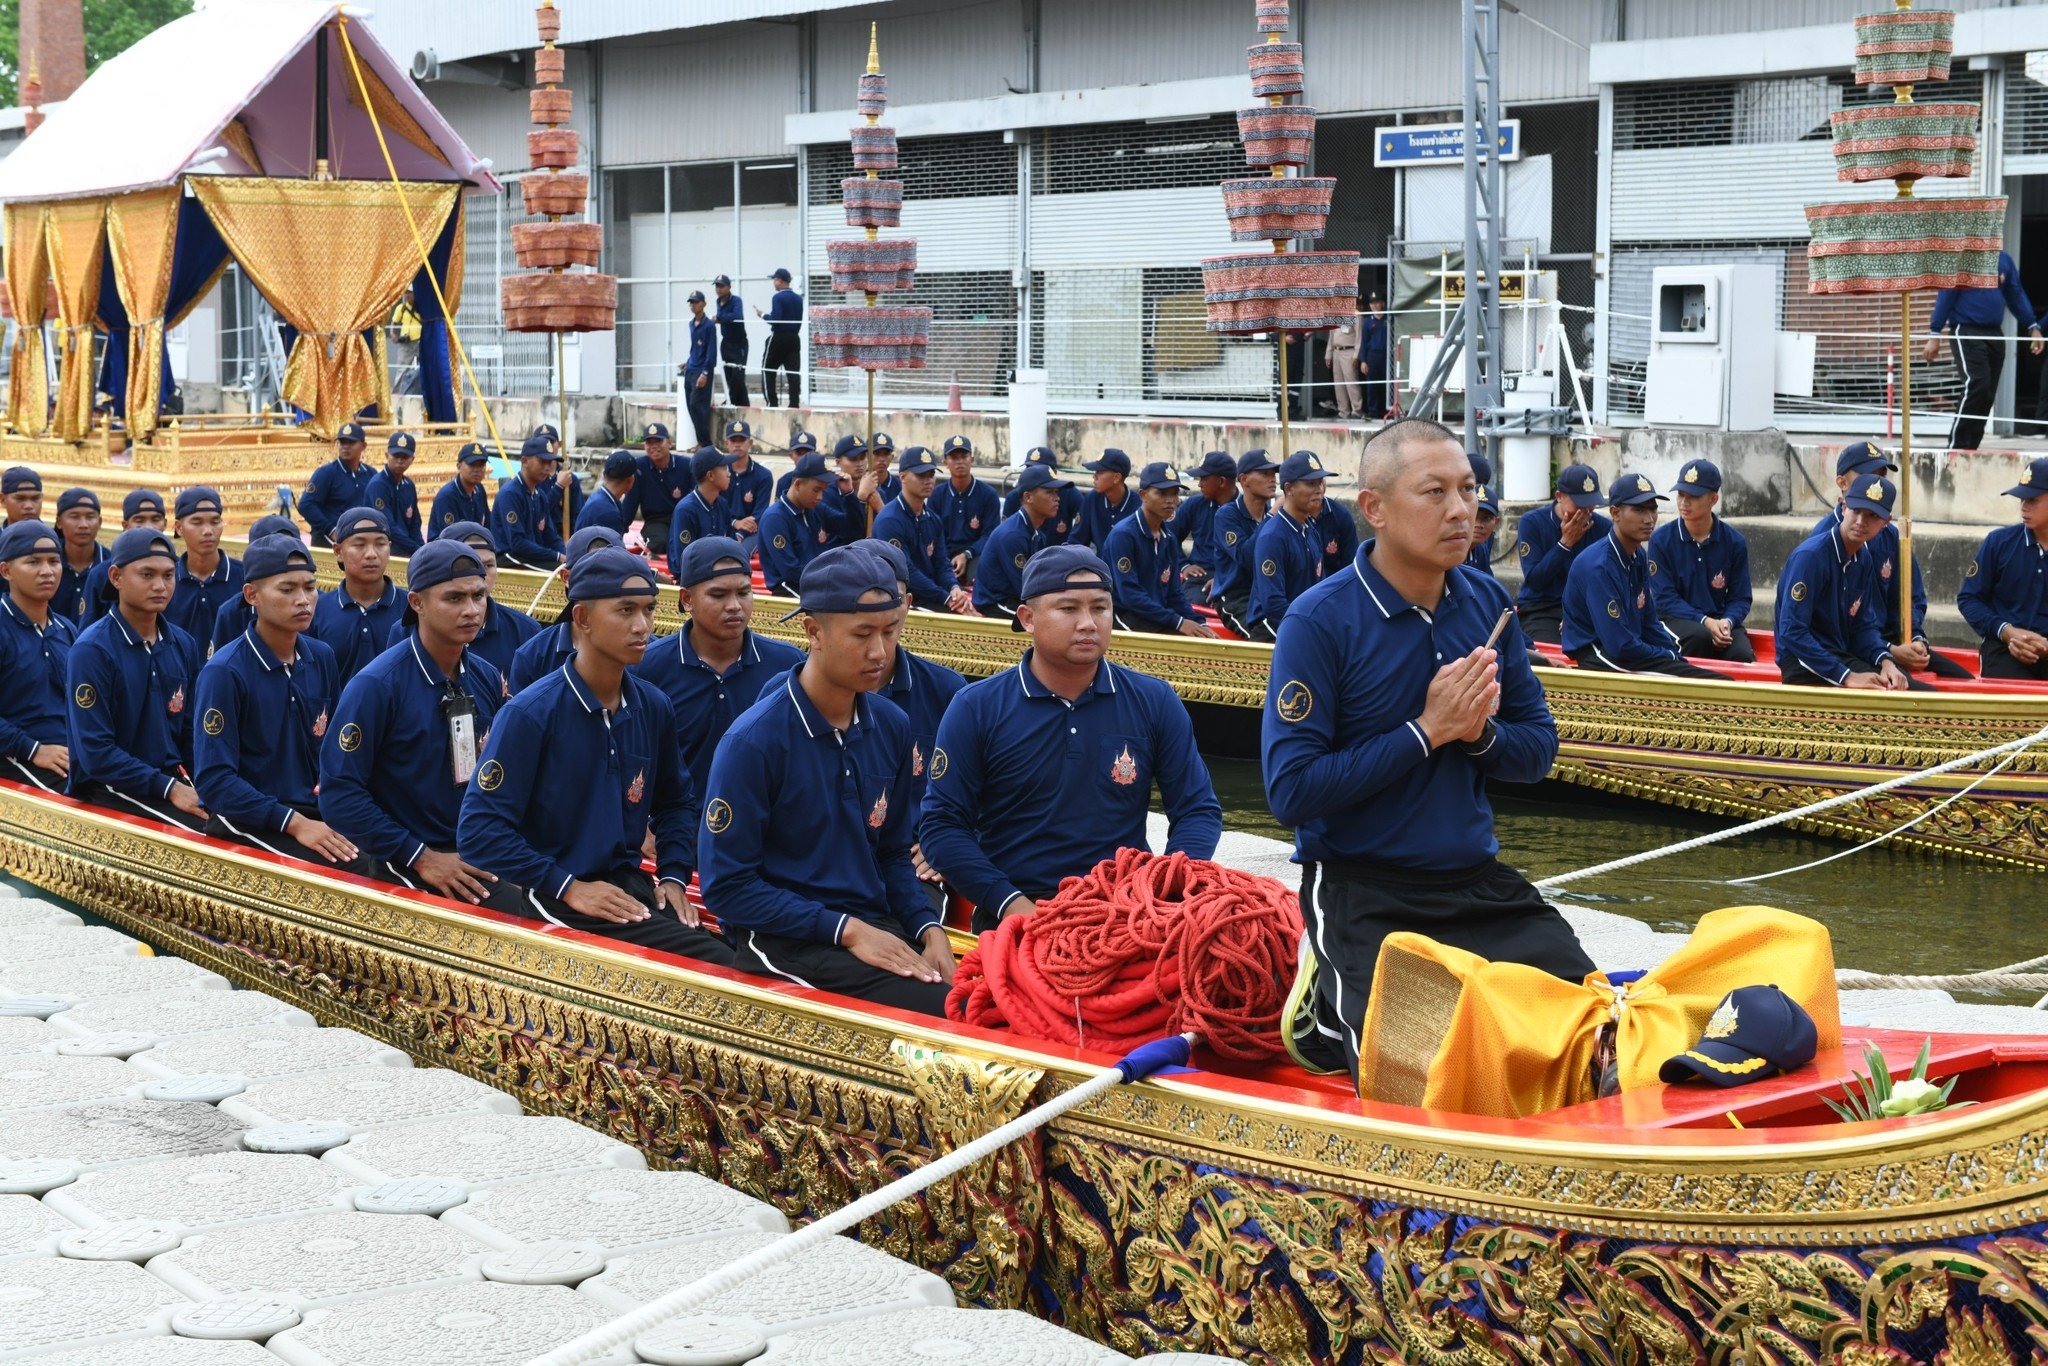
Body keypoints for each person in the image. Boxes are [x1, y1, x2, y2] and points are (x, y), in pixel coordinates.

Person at [1264, 417, 1594, 1079]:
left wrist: (1478, 734)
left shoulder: (1483, 602)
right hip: (1365, 889)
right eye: (1434, 492)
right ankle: (1326, 1008)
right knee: (1418, 1077)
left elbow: (1537, 751)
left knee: (1594, 1035)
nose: (1461, 511)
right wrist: (1425, 732)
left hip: (1475, 882)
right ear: (1375, 509)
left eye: (1468, 490)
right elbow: (1290, 792)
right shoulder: (1319, 621)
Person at [698, 546, 952, 1013]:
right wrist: (846, 930)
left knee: (986, 989)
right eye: (862, 635)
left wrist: (927, 929)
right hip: (785, 942)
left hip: (872, 924)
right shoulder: (753, 742)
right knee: (950, 1011)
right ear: (813, 631)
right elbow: (728, 888)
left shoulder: (891, 724)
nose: (880, 652)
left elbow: (893, 852)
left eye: (890, 632)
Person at [922, 545, 1223, 933]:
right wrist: (1014, 907)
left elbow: (1197, 808)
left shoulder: (1154, 700)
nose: (1088, 623)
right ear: (1027, 619)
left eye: (1100, 608)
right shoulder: (976, 707)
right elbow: (942, 826)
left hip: (1126, 913)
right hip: (1015, 914)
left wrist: (1167, 887)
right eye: (1068, 609)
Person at [459, 548, 734, 963]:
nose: (643, 626)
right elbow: (479, 833)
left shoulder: (652, 705)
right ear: (583, 619)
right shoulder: (531, 714)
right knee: (717, 966)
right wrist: (568, 886)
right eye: (625, 610)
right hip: (556, 898)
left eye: (648, 609)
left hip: (627, 883)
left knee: (724, 948)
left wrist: (674, 875)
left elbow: (676, 801)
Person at [320, 538, 506, 901]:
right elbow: (339, 795)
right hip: (404, 862)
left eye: (478, 596)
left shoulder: (483, 676)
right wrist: (419, 856)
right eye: (453, 598)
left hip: (475, 849)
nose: (471, 610)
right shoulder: (377, 686)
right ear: (417, 602)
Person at [192, 535, 359, 866]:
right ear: (252, 595)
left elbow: (335, 749)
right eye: (287, 590)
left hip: (311, 809)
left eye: (310, 587)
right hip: (246, 818)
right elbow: (215, 783)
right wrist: (294, 823)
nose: (304, 600)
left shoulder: (320, 656)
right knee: (357, 868)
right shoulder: (225, 671)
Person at [634, 535, 806, 801]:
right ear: (687, 599)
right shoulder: (647, 668)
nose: (735, 606)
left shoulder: (786, 666)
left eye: (744, 592)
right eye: (718, 594)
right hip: (675, 831)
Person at [65, 527, 208, 829]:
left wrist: (206, 784)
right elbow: (96, 755)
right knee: (205, 832)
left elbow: (189, 732)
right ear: (116, 577)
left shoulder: (182, 643)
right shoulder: (92, 650)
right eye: (147, 575)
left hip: (166, 780)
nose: (160, 586)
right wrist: (169, 789)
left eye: (168, 576)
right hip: (109, 787)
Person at [1812, 442, 1969, 680]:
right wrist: (1888, 652)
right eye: (1868, 477)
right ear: (1842, 483)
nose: (1876, 485)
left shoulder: (1889, 535)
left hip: (1892, 642)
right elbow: (1834, 624)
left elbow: (1910, 597)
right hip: (1851, 648)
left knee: (1962, 678)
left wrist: (1915, 638)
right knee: (1922, 694)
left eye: (1882, 477)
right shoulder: (1822, 542)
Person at [1561, 475, 1721, 679]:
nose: (1649, 519)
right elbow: (1619, 646)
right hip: (1600, 656)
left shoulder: (1638, 555)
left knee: (1706, 674)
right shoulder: (1598, 566)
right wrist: (1666, 655)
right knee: (1711, 683)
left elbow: (1649, 622)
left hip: (1629, 651)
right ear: (1615, 513)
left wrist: (1674, 655)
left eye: (1652, 509)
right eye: (1639, 510)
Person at [1775, 474, 1927, 691]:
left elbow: (1862, 626)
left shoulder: (1862, 558)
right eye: (1856, 511)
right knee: (1902, 695)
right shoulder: (1811, 557)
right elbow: (1792, 632)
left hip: (1839, 655)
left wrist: (1885, 661)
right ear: (1844, 507)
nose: (1860, 522)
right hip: (1803, 662)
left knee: (1903, 683)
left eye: (1872, 516)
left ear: (1885, 522)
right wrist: (1847, 676)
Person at [1924, 249, 2041, 452]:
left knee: (1987, 393)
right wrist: (1935, 332)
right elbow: (1947, 294)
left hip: (1994, 332)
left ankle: (1971, 448)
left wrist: (2032, 326)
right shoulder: (1961, 257)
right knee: (1977, 382)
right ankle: (1956, 446)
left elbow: (2015, 293)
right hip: (1966, 328)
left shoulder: (2003, 259)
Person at [1648, 459, 1754, 663]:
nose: (1683, 502)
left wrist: (1727, 622)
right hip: (1675, 620)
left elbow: (1741, 597)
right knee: (1699, 639)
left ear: (1713, 499)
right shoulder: (1661, 540)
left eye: (1693, 496)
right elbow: (1664, 599)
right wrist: (1704, 621)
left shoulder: (1734, 542)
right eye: (1681, 494)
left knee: (1741, 655)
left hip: (1719, 619)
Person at [0, 521, 76, 792]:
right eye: (33, 562)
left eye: (54, 561)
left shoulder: (66, 629)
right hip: (15, 755)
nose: (47, 571)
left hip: (69, 753)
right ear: (6, 570)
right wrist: (33, 750)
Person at [503, 524, 623, 692]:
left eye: (615, 573)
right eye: (591, 572)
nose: (604, 584)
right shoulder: (533, 656)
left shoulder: (645, 653)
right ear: (566, 577)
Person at [1102, 462, 1215, 638]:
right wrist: (1179, 622)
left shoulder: (1168, 539)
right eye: (1162, 494)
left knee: (1205, 640)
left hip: (1157, 616)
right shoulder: (1123, 535)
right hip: (1123, 617)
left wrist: (1199, 622)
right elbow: (1130, 596)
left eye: (1175, 494)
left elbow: (1174, 594)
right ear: (1143, 495)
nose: (1170, 500)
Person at [1959, 455, 2048, 679]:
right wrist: (2006, 631)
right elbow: (1969, 599)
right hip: (2004, 649)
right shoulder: (1998, 543)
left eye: (2033, 500)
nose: (2024, 507)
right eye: (2022, 500)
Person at [438, 521, 552, 681]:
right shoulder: (413, 630)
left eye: (489, 565)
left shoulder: (525, 631)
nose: (482, 574)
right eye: (473, 564)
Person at [1514, 462, 1612, 645]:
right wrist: (1565, 543)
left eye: (1591, 504)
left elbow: (1604, 580)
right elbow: (1535, 580)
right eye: (1580, 504)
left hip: (1586, 608)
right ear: (1559, 496)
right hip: (1543, 607)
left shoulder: (1603, 527)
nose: (1586, 511)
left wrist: (1579, 612)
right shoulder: (1532, 522)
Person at [872, 446, 976, 614]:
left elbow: (942, 563)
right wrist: (946, 598)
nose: (928, 481)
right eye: (921, 476)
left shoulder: (932, 519)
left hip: (931, 594)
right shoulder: (890, 520)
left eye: (931, 475)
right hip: (899, 598)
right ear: (903, 477)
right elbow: (906, 572)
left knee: (971, 606)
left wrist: (954, 587)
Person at [309, 507, 402, 683]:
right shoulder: (317, 610)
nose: (371, 554)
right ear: (338, 552)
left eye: (380, 544)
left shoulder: (412, 609)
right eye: (359, 545)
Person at [1247, 450, 1333, 641]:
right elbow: (1274, 605)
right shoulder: (1273, 536)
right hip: (1273, 628)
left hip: (1304, 622)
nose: (1319, 489)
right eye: (1310, 484)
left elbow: (1321, 586)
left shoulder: (1310, 529)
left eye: (1320, 482)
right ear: (1289, 488)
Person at [972, 464, 1071, 620]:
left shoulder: (1036, 533)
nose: (1057, 498)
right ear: (1028, 497)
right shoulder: (1012, 535)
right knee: (1051, 621)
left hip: (1016, 599)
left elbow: (1041, 577)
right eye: (1049, 492)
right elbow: (1027, 588)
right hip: (996, 603)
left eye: (1057, 492)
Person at [1209, 449, 1277, 636]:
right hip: (1236, 598)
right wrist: (1272, 517)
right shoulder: (1227, 515)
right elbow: (1245, 557)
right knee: (1266, 636)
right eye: (1264, 474)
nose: (1272, 479)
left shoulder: (1272, 517)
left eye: (1273, 474)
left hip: (1267, 593)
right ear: (1244, 479)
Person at [77, 490, 168, 628]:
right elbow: (88, 628)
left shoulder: (174, 571)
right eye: (140, 520)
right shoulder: (101, 574)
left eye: (156, 519)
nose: (149, 526)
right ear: (126, 526)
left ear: (165, 524)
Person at [758, 450, 835, 597]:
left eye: (823, 491)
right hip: (789, 589)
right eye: (816, 490)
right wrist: (826, 578)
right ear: (798, 484)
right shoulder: (775, 518)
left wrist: (850, 495)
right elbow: (790, 571)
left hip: (814, 583)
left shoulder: (811, 510)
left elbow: (848, 526)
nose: (820, 497)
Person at [928, 435, 1000, 585]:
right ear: (945, 462)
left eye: (964, 456)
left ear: (972, 460)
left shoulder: (988, 494)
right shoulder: (936, 495)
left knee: (981, 580)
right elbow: (933, 533)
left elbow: (990, 535)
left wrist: (966, 554)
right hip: (943, 554)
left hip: (976, 554)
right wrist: (945, 559)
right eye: (954, 457)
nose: (960, 462)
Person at [492, 434, 567, 571]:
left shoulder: (540, 495)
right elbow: (517, 543)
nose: (546, 467)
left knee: (570, 568)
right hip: (509, 557)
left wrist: (566, 557)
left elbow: (551, 536)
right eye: (542, 461)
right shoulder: (510, 494)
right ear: (524, 461)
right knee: (559, 574)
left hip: (531, 556)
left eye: (549, 462)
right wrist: (556, 556)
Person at [668, 445, 738, 581]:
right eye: (724, 468)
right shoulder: (686, 510)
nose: (729, 473)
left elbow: (732, 544)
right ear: (710, 475)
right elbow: (685, 560)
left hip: (718, 575)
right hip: (693, 581)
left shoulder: (722, 504)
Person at [301, 422, 374, 548]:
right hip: (329, 544)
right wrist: (331, 530)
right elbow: (306, 505)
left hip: (361, 543)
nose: (345, 447)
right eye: (342, 442)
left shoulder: (370, 474)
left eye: (351, 442)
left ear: (363, 446)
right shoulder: (326, 473)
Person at [1171, 451, 1236, 590]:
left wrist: (1224, 578)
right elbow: (1169, 534)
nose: (1200, 484)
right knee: (1189, 607)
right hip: (1201, 575)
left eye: (1204, 479)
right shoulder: (1195, 504)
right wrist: (1184, 565)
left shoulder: (1246, 508)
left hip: (1236, 578)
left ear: (1221, 482)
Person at [629, 422, 689, 554]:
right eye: (649, 442)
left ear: (669, 443)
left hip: (683, 520)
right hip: (655, 521)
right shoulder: (639, 467)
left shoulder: (686, 466)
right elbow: (630, 504)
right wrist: (617, 534)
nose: (654, 446)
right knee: (661, 543)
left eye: (659, 441)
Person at [363, 431, 423, 559]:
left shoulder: (408, 485)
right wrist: (415, 548)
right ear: (387, 455)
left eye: (405, 457)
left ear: (412, 459)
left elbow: (415, 523)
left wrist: (422, 548)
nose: (400, 461)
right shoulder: (378, 485)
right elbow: (387, 526)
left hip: (407, 548)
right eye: (396, 456)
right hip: (382, 550)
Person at [1000, 446, 1080, 540]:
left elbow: (1082, 531)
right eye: (1030, 469)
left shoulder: (1069, 493)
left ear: (1054, 473)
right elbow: (1007, 535)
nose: (1034, 474)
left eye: (1041, 470)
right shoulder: (1014, 497)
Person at [50, 487, 105, 624]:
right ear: (59, 522)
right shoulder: (46, 563)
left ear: (100, 522)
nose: (83, 525)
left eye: (90, 517)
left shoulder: (110, 566)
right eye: (74, 517)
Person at [719, 419, 772, 546]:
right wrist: (735, 523)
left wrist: (741, 533)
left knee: (742, 552)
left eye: (742, 440)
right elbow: (713, 508)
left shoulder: (764, 475)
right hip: (721, 527)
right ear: (726, 443)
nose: (737, 444)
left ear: (750, 443)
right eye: (733, 440)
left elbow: (760, 513)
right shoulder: (717, 473)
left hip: (751, 531)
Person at [757, 267, 803, 408]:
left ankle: (772, 403)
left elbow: (775, 319)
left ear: (779, 281)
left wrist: (763, 315)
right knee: (793, 373)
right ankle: (794, 404)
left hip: (779, 337)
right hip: (794, 338)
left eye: (774, 280)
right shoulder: (798, 298)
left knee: (768, 369)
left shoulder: (778, 297)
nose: (773, 283)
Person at [1073, 449, 1137, 549]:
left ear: (1116, 478)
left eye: (1100, 472)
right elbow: (1076, 541)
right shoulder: (1092, 498)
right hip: (1098, 564)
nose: (1094, 476)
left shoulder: (1139, 505)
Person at [429, 441, 493, 538]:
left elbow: (488, 524)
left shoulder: (479, 489)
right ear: (459, 467)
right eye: (472, 465)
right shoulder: (447, 496)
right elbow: (450, 536)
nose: (477, 470)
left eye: (481, 465)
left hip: (473, 545)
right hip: (445, 549)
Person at [681, 289, 715, 448]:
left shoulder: (709, 325)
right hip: (691, 369)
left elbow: (711, 351)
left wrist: (705, 373)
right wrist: (687, 363)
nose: (693, 305)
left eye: (696, 302)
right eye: (691, 303)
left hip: (701, 370)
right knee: (690, 406)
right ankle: (700, 441)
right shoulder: (690, 324)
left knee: (698, 405)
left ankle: (706, 443)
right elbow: (694, 348)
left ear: (704, 304)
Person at [713, 274, 750, 409]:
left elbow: (736, 316)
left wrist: (719, 317)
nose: (719, 289)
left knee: (738, 376)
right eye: (717, 286)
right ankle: (744, 404)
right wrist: (720, 318)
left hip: (739, 343)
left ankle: (731, 401)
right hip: (726, 342)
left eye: (722, 286)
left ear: (729, 287)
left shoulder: (736, 301)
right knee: (728, 375)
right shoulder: (718, 302)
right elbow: (723, 319)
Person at [580, 451, 638, 536]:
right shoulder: (608, 512)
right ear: (630, 481)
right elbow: (613, 548)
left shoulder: (600, 499)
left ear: (604, 474)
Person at [1360, 292, 1390, 420]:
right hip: (1372, 355)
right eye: (1372, 303)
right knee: (1372, 384)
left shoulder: (1389, 319)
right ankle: (1373, 411)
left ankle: (1385, 410)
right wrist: (1363, 361)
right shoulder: (1367, 322)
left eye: (1377, 302)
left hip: (1387, 355)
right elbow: (1363, 341)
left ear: (1383, 303)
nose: (1375, 305)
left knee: (1386, 383)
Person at [1327, 313, 1362, 420]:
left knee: (1351, 381)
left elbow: (1359, 336)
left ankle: (1357, 410)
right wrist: (1328, 353)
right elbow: (1331, 336)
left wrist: (1356, 355)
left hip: (1349, 350)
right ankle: (1343, 411)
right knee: (1339, 383)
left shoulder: (1355, 314)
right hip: (1336, 351)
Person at [1465, 483, 1501, 578]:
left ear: (1496, 522)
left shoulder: (1480, 549)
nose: (1479, 525)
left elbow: (1488, 587)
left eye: (1486, 519)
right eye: (1473, 516)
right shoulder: (1447, 553)